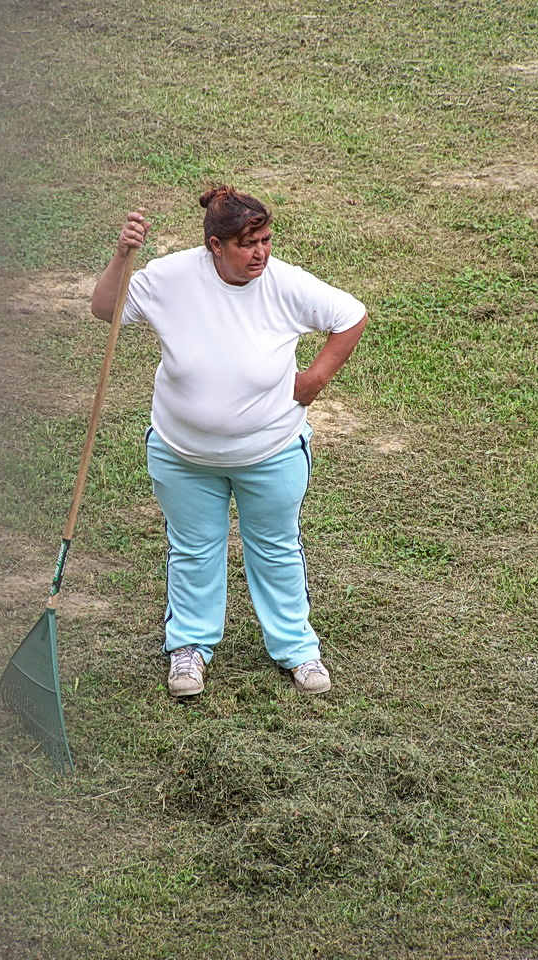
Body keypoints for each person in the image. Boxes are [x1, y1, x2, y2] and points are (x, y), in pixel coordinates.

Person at [91, 185, 367, 697]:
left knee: (276, 548)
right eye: (247, 243)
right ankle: (189, 651)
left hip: (271, 452)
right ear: (215, 245)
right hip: (183, 454)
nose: (260, 252)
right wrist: (122, 255)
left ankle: (297, 650)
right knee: (194, 550)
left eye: (265, 240)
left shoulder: (284, 283)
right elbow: (107, 312)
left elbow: (350, 316)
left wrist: (314, 380)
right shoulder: (172, 277)